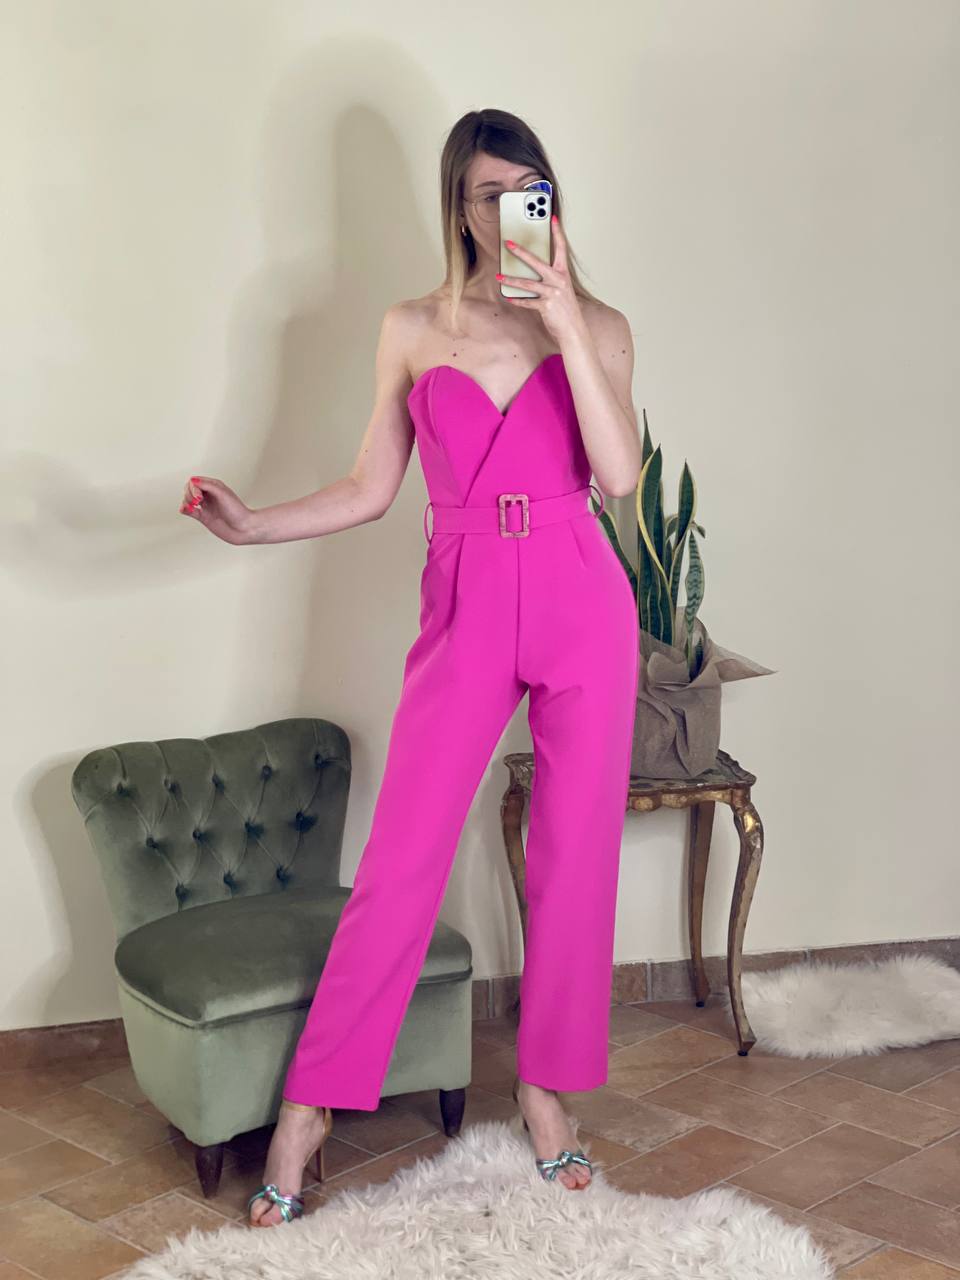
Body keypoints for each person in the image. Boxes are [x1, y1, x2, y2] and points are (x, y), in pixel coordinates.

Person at [178, 108, 641, 1223]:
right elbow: (369, 487)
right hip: (467, 595)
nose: (509, 209)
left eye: (527, 189)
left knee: (575, 858)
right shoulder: (412, 327)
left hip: (581, 592)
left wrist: (566, 321)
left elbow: (622, 477)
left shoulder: (601, 325)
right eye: (488, 194)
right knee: (403, 857)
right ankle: (309, 1109)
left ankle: (545, 1098)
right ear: (458, 209)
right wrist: (254, 526)